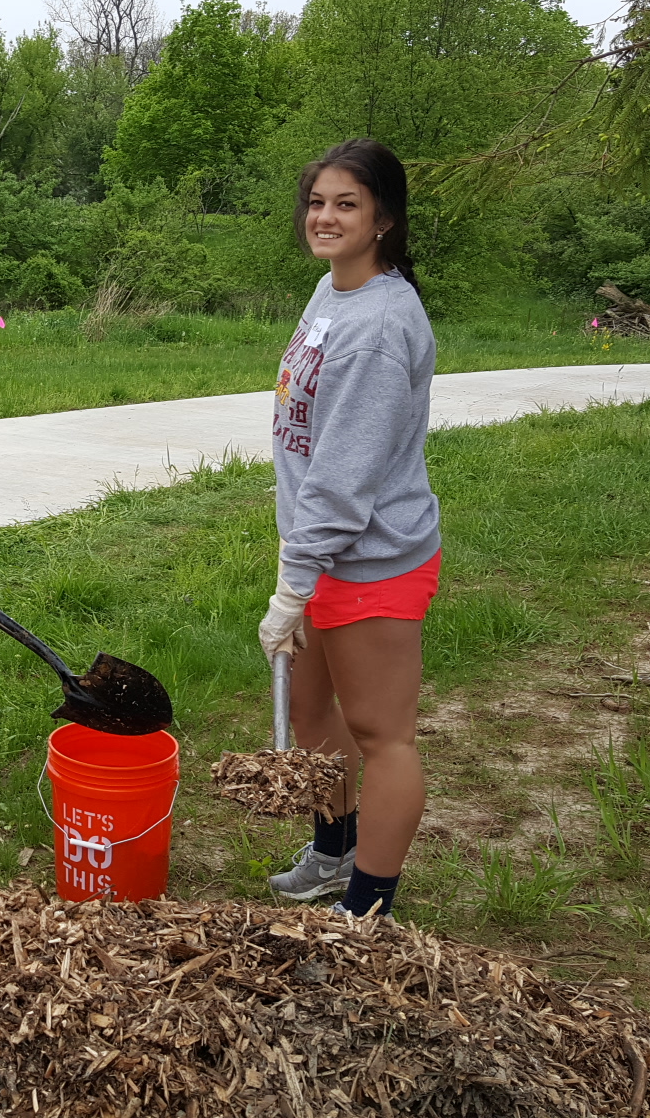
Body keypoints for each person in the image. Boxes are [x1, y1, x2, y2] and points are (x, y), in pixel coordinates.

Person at [258, 139, 442, 920]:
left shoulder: (377, 326)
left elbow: (344, 473)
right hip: (319, 551)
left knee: (380, 734)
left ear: (383, 221)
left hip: (371, 561)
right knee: (311, 715)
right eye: (318, 202)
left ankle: (366, 907)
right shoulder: (333, 293)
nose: (325, 217)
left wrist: (294, 583)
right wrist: (296, 563)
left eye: (347, 205)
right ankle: (335, 848)